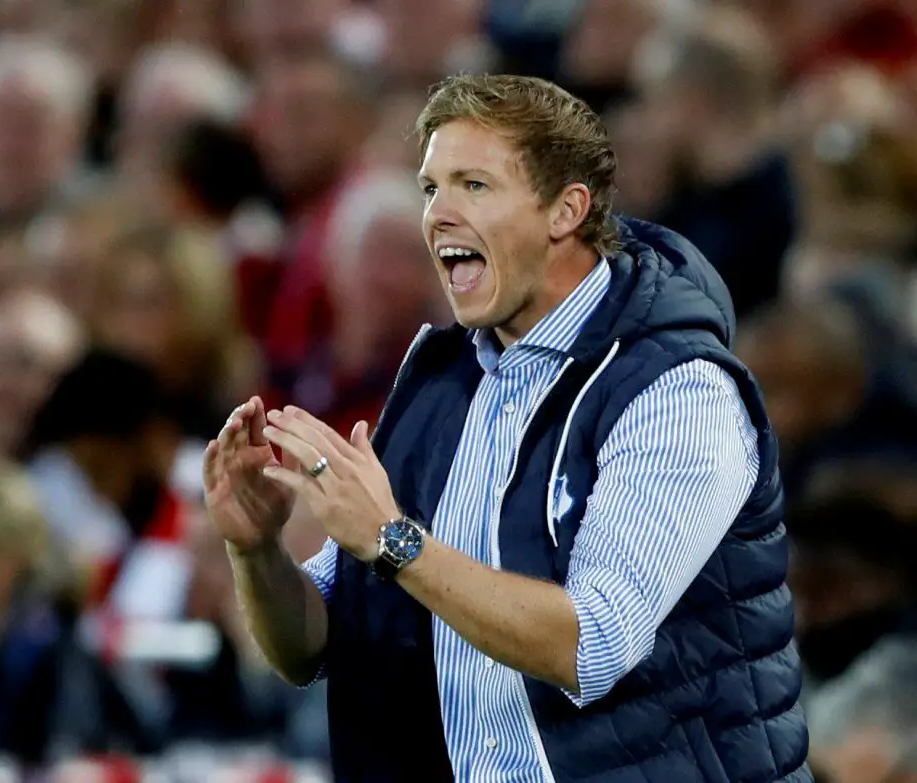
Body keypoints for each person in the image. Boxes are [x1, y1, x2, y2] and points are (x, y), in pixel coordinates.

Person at [203, 74, 811, 782]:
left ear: (566, 211)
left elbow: (592, 645)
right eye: (431, 188)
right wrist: (256, 549)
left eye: (475, 186)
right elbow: (312, 647)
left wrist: (393, 540)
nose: (439, 215)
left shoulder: (677, 390)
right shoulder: (439, 383)